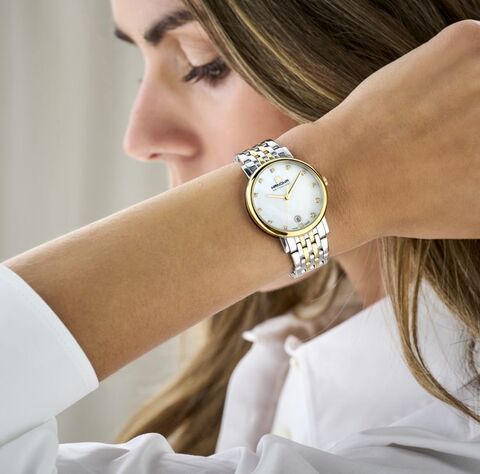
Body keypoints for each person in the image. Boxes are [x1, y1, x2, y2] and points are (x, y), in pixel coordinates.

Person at [0, 1, 479, 473]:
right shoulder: (272, 365)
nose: (139, 137)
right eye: (141, 73)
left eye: (202, 64)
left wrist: (330, 177)